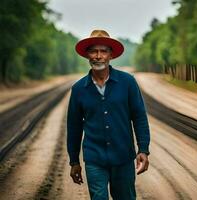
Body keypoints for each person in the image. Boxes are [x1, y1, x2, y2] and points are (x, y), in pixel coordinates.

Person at [67, 29, 150, 200]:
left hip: (123, 157)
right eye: (93, 51)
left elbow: (139, 117)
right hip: (94, 159)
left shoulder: (127, 82)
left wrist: (143, 149)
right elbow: (74, 127)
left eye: (103, 51)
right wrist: (74, 161)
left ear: (111, 55)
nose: (98, 56)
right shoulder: (78, 89)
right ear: (87, 55)